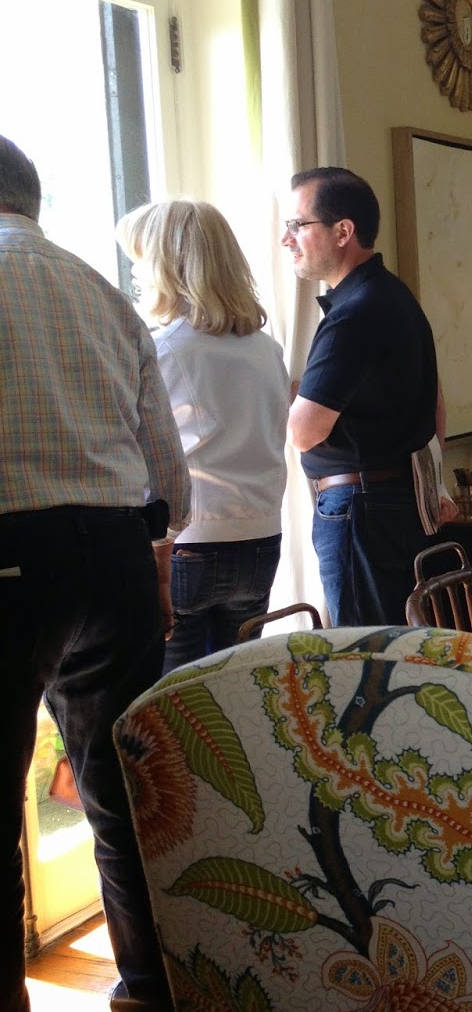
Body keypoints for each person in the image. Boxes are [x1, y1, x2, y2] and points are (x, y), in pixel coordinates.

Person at [0, 136, 191, 1012]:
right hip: (114, 552)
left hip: (7, 554)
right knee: (120, 790)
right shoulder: (100, 292)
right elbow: (170, 479)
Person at [117, 199, 289, 671]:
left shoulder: (163, 349)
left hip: (190, 542)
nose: (136, 273)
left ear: (166, 266)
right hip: (261, 536)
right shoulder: (267, 349)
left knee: (177, 694)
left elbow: (143, 451)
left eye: (140, 259)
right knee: (234, 685)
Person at [285, 165, 440, 626]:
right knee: (394, 645)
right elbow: (437, 402)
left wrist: (288, 396)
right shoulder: (395, 295)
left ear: (343, 232)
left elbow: (304, 433)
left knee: (363, 652)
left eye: (298, 225)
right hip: (394, 501)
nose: (287, 239)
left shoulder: (354, 313)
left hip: (359, 510)